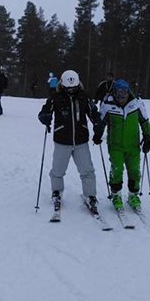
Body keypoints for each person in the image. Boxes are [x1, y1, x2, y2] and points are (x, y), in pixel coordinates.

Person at [38, 70, 102, 214]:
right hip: (62, 140)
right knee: (58, 170)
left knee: (87, 170)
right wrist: (45, 117)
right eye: (68, 88)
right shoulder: (56, 97)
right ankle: (56, 192)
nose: (71, 91)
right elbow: (43, 112)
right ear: (63, 85)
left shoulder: (84, 97)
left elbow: (93, 113)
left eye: (74, 88)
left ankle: (90, 195)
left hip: (81, 141)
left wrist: (98, 124)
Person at [93, 79, 150, 213]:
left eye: (124, 94)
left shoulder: (136, 103)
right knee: (117, 170)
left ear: (128, 92)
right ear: (114, 93)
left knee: (134, 171)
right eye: (118, 95)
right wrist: (98, 134)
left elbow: (144, 121)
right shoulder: (107, 105)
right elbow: (101, 122)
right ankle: (116, 196)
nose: (121, 98)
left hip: (133, 145)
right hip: (115, 145)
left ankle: (133, 195)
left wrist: (147, 137)